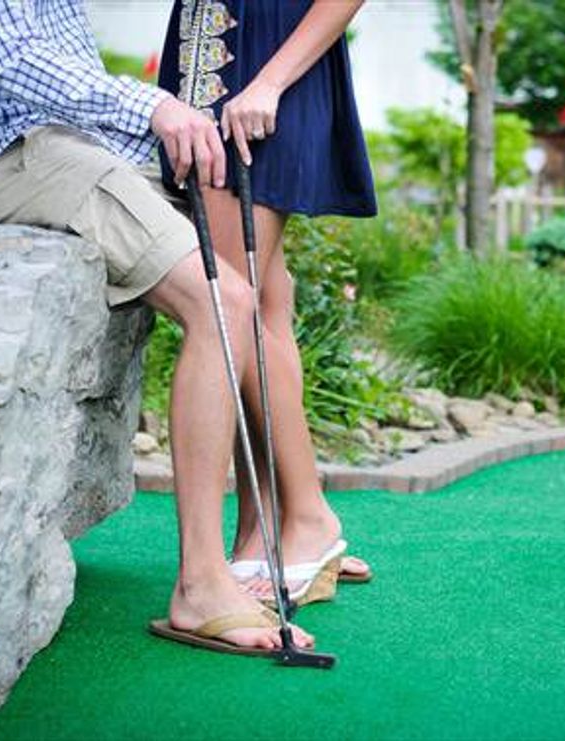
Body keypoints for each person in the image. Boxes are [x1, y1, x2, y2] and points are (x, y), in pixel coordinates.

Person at [0, 0, 318, 655]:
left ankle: (304, 523)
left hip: (79, 146)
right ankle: (201, 585)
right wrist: (156, 107)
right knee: (223, 303)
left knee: (255, 263)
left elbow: (67, 65)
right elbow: (19, 61)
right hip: (9, 157)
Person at [156, 0, 376, 600]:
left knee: (230, 305)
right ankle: (266, 530)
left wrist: (271, 82)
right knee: (261, 304)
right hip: (216, 65)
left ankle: (308, 518)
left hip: (258, 73)